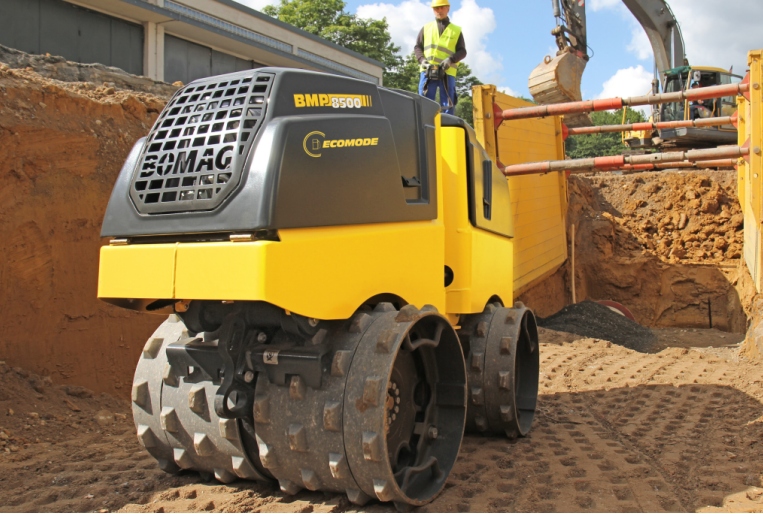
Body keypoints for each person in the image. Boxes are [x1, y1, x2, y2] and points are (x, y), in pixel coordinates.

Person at [414, 0, 467, 115]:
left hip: (447, 72)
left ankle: (447, 126)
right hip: (428, 71)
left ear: (448, 8)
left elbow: (462, 51)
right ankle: (426, 127)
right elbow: (417, 47)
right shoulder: (426, 28)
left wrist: (450, 59)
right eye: (436, 8)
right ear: (433, 10)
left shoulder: (456, 30)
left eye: (442, 7)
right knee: (425, 101)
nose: (439, 10)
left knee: (448, 102)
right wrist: (422, 61)